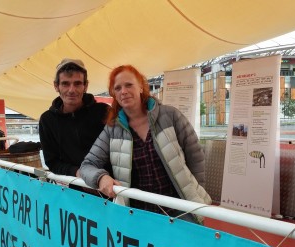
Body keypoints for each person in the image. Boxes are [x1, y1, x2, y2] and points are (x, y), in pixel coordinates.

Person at [80, 65, 211, 223]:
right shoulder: (112, 130)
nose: (124, 91)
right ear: (113, 94)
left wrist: (195, 195)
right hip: (138, 215)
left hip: (180, 210)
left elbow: (195, 157)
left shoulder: (170, 116)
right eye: (118, 88)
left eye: (129, 85)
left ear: (141, 87)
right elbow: (87, 165)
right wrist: (101, 178)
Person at [39, 58, 109, 179]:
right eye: (65, 83)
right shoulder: (47, 120)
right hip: (74, 188)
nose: (71, 90)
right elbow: (52, 162)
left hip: (110, 184)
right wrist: (78, 173)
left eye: (77, 83)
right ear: (56, 86)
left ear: (85, 86)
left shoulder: (103, 111)